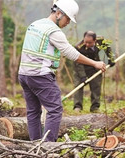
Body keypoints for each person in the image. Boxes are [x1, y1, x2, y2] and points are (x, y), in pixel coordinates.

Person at [18, 0, 106, 142]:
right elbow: (71, 53)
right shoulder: (53, 31)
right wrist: (94, 63)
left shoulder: (35, 24)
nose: (68, 23)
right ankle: (47, 147)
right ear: (58, 14)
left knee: (33, 112)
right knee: (55, 109)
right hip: (40, 76)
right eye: (67, 19)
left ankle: (35, 146)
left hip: (24, 74)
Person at [73, 31, 115, 112]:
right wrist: (83, 76)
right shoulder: (78, 46)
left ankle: (95, 107)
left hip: (95, 66)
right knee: (78, 86)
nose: (87, 44)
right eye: (86, 42)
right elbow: (77, 63)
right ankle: (77, 107)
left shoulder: (101, 41)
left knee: (96, 86)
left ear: (95, 40)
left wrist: (111, 59)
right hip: (81, 67)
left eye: (90, 43)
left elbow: (108, 48)